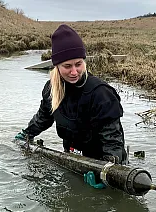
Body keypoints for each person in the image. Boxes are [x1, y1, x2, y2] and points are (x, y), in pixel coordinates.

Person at [15, 24, 127, 164]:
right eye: (67, 66)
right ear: (56, 66)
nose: (74, 72)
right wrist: (26, 134)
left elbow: (113, 141)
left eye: (78, 64)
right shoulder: (51, 89)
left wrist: (107, 172)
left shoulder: (101, 94)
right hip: (72, 159)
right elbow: (43, 118)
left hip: (101, 162)